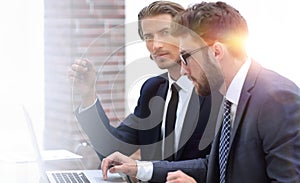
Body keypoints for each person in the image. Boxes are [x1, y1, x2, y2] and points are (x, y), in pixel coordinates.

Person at [101, 1, 300, 183]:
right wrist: (140, 169)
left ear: (216, 52)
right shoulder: (232, 96)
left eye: (186, 57)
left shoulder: (276, 99)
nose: (184, 69)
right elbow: (213, 167)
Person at [69, 0, 212, 173]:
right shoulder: (152, 90)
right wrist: (88, 96)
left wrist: (143, 169)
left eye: (165, 32)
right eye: (148, 37)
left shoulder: (212, 91)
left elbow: (216, 165)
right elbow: (111, 149)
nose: (156, 45)